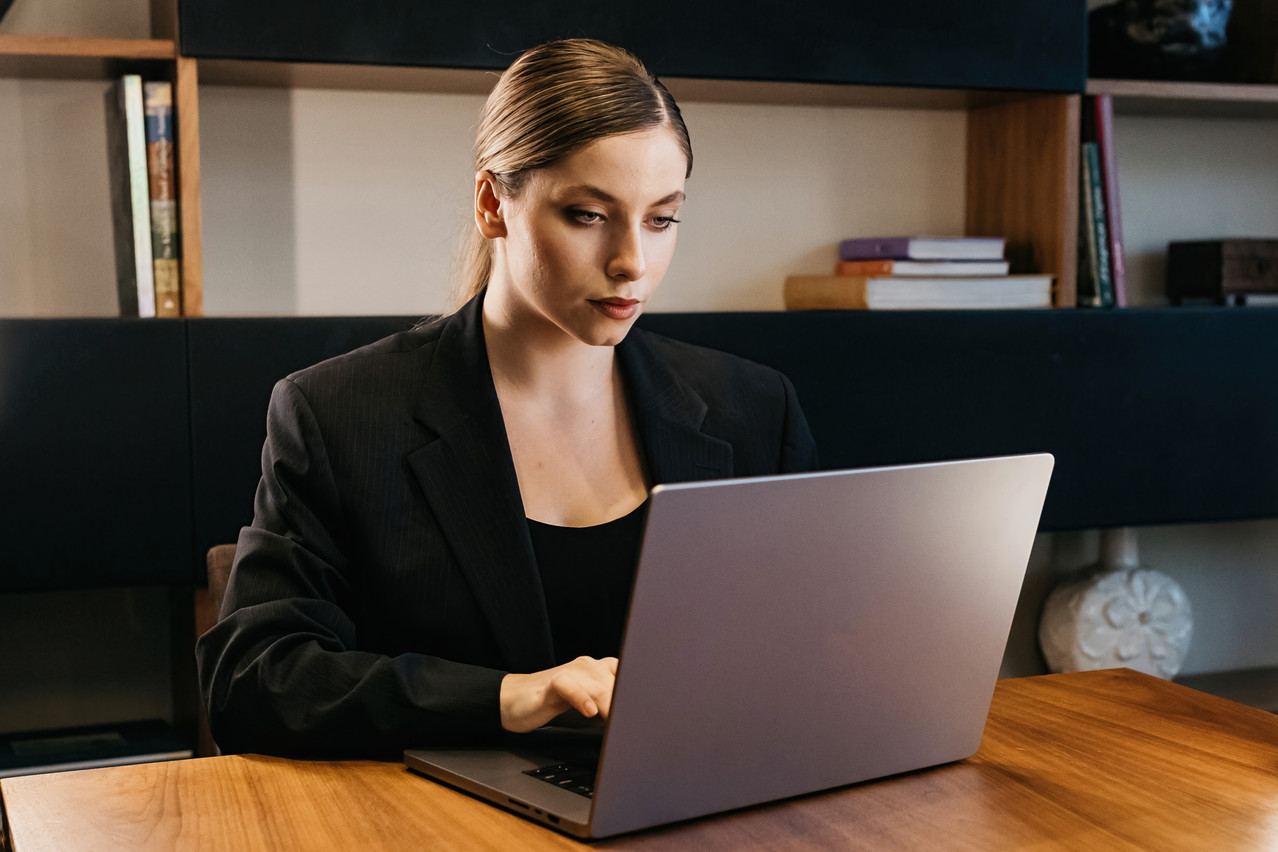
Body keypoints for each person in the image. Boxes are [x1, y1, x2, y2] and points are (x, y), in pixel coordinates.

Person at [196, 38, 818, 759]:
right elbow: (254, 680)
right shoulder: (338, 414)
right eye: (588, 214)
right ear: (494, 203)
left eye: (661, 218)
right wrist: (508, 697)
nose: (632, 263)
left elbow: (804, 651)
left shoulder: (754, 409)